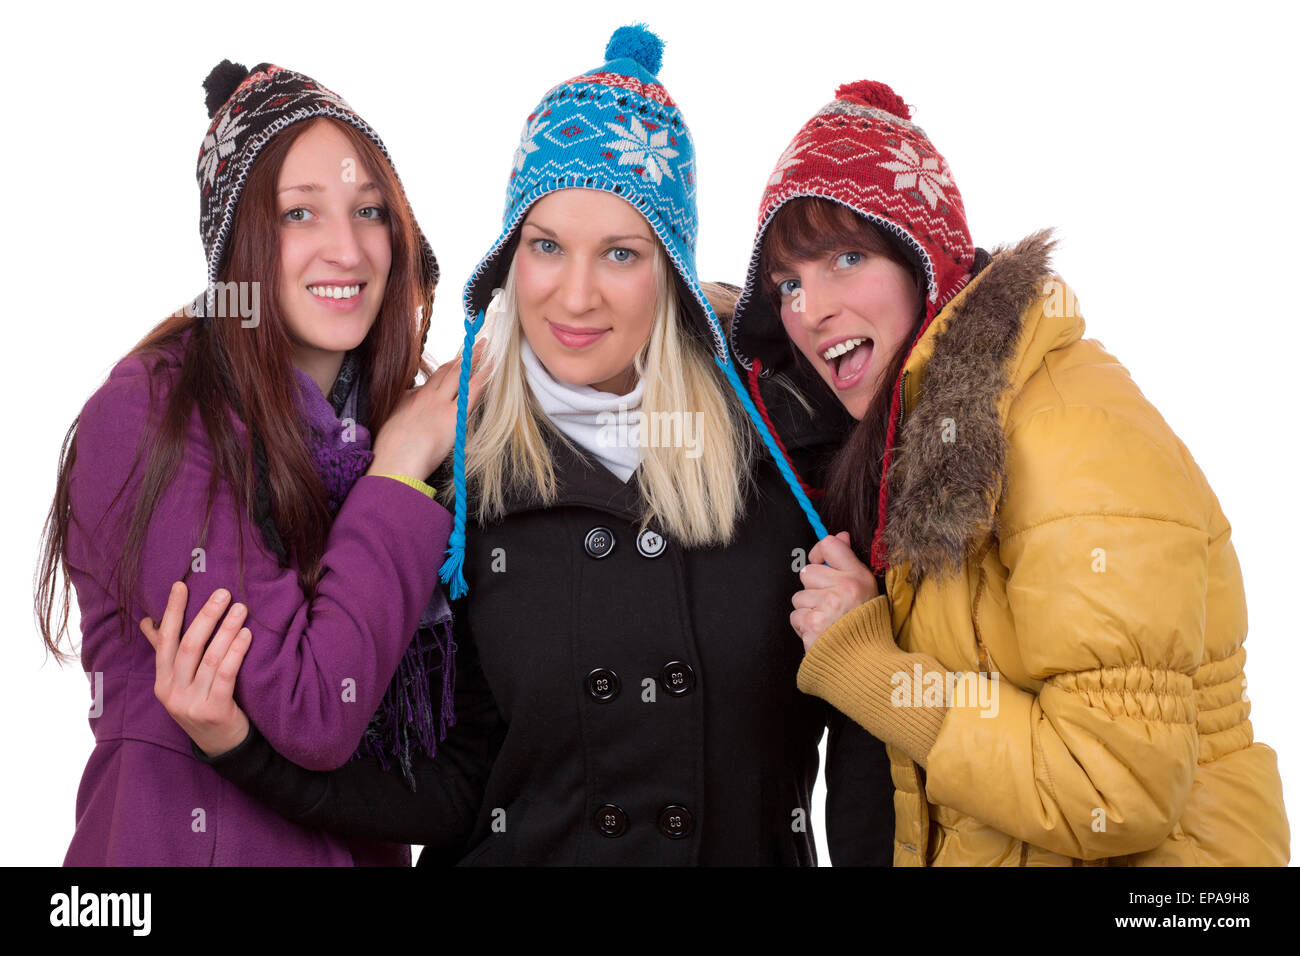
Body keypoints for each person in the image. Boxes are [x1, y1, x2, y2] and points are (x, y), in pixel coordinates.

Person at [143, 26, 894, 866]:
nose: (575, 295)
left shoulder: (789, 446)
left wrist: (869, 643)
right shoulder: (452, 476)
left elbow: (864, 768)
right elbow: (451, 779)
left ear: (671, 271)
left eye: (620, 252)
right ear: (508, 262)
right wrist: (239, 745)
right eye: (546, 247)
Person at [728, 78, 1291, 865]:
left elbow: (1112, 792)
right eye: (788, 284)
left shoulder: (1067, 434)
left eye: (847, 258)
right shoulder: (922, 431)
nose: (809, 309)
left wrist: (874, 669)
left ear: (923, 264)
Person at [36, 59, 487, 866]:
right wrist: (399, 468)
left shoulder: (397, 423)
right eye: (300, 214)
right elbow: (313, 707)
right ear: (239, 242)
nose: (346, 249)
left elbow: (463, 765)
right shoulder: (153, 412)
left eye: (369, 211)